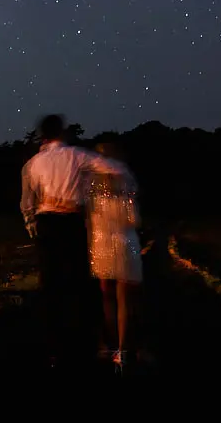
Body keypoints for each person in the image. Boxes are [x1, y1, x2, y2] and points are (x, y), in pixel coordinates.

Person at [20, 113, 125, 369]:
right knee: (78, 280)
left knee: (51, 284)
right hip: (70, 222)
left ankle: (55, 348)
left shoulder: (33, 163)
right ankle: (85, 341)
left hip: (47, 223)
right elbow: (112, 168)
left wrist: (32, 226)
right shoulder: (76, 155)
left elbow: (26, 201)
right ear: (63, 132)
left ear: (42, 134)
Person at [88, 142, 144, 371]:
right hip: (123, 243)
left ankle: (108, 345)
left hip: (101, 244)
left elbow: (89, 220)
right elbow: (134, 220)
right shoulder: (125, 189)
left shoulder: (93, 190)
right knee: (124, 300)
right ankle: (122, 349)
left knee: (106, 298)